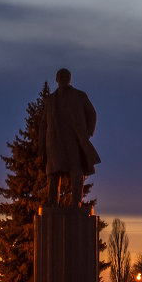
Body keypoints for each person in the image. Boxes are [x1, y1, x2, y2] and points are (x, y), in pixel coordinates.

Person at [40, 68, 100, 207]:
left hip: (73, 139)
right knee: (53, 173)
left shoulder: (79, 96)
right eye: (61, 76)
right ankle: (52, 202)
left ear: (70, 78)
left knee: (76, 170)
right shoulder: (50, 100)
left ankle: (76, 202)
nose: (63, 78)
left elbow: (92, 114)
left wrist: (88, 133)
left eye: (66, 76)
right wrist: (42, 147)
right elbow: (43, 124)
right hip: (54, 142)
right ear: (56, 79)